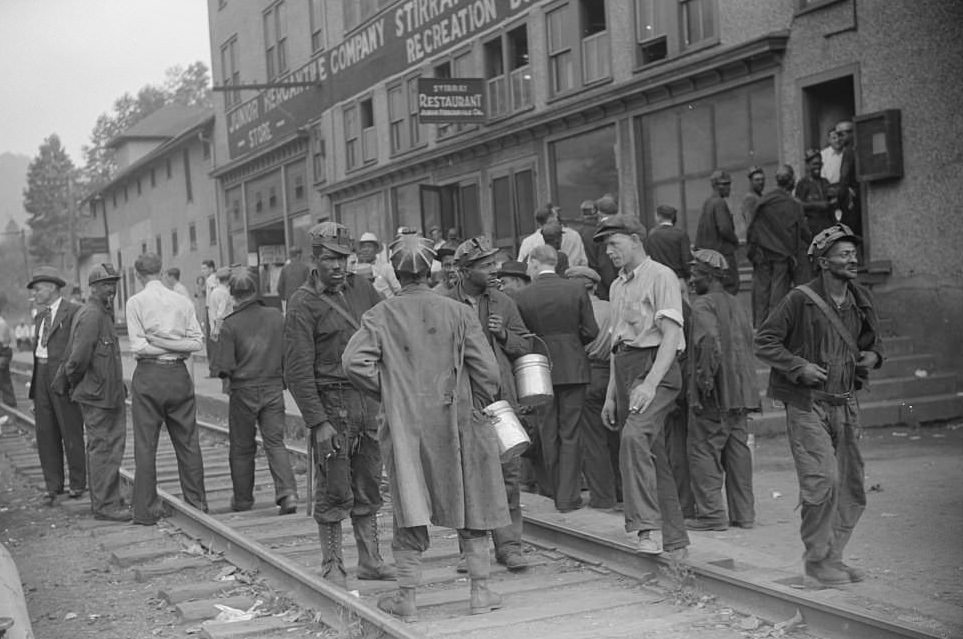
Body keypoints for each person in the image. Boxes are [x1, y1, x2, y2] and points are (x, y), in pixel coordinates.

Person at [343, 231, 508, 621]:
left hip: (406, 425)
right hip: (458, 419)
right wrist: (477, 401)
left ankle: (409, 600)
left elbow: (353, 364)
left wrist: (390, 390)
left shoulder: (380, 315)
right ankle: (480, 592)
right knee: (472, 500)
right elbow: (487, 371)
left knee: (409, 505)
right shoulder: (458, 312)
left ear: (395, 273)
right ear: (433, 267)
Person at [755, 224, 883, 585]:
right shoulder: (799, 298)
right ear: (824, 262)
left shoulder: (860, 298)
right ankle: (815, 561)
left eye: (853, 253)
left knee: (851, 487)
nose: (852, 259)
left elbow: (874, 342)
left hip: (845, 404)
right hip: (807, 404)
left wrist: (872, 356)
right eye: (844, 254)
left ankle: (834, 557)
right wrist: (798, 367)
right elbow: (764, 341)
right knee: (823, 480)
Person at [283, 222, 394, 588]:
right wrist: (317, 422)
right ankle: (332, 563)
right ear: (315, 258)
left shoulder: (363, 288)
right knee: (334, 487)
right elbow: (297, 370)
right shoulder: (302, 302)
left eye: (343, 258)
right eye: (330, 258)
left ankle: (370, 560)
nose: (337, 265)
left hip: (368, 400)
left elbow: (387, 332)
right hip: (331, 404)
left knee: (369, 483)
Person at [595, 215, 689, 556]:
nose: (609, 252)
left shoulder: (662, 275)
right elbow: (616, 342)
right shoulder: (617, 285)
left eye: (614, 244)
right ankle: (677, 541)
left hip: (656, 367)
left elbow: (671, 337)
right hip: (625, 367)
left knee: (634, 439)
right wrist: (610, 395)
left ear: (636, 239)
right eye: (606, 246)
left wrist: (650, 384)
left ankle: (645, 529)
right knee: (652, 453)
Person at [445, 236, 532, 571]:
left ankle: (509, 546)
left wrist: (505, 336)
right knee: (466, 477)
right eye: (484, 266)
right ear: (464, 271)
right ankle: (471, 551)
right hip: (460, 400)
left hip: (499, 401)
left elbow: (525, 345)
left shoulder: (504, 303)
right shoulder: (443, 303)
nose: (493, 270)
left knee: (508, 474)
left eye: (492, 263)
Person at [514, 245, 598, 512]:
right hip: (574, 367)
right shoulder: (575, 289)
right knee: (571, 432)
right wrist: (573, 343)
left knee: (548, 430)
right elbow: (591, 330)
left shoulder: (523, 295)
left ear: (535, 263)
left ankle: (553, 490)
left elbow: (522, 335)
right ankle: (569, 496)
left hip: (539, 369)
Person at [126, 252, 207, 525]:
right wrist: (175, 344)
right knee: (188, 442)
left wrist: (157, 339)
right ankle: (197, 504)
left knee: (145, 445)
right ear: (161, 272)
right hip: (178, 375)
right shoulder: (182, 301)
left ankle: (145, 511)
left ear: (138, 275)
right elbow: (196, 343)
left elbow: (138, 347)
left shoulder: (135, 302)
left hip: (149, 375)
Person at [213, 268, 298, 516]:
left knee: (241, 446)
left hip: (243, 391)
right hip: (273, 388)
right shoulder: (275, 317)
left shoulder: (229, 325)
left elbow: (224, 366)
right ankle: (288, 493)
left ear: (232, 294)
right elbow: (288, 352)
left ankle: (242, 499)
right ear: (255, 290)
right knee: (275, 442)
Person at [685, 250, 759, 531]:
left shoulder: (703, 304)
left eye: (695, 275)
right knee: (737, 452)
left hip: (716, 392)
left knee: (703, 451)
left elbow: (708, 343)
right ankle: (744, 515)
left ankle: (712, 515)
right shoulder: (737, 303)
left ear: (709, 276)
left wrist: (704, 382)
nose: (692, 280)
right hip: (742, 392)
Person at [55, 264, 130, 522]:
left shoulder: (102, 313)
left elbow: (103, 358)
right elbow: (77, 359)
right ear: (94, 288)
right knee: (104, 448)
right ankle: (105, 506)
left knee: (108, 447)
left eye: (114, 283)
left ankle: (107, 499)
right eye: (105, 284)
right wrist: (79, 385)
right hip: (98, 397)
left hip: (107, 393)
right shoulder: (92, 315)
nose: (111, 288)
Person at [27, 266, 86, 506]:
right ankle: (53, 485)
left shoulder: (73, 312)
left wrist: (70, 378)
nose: (35, 294)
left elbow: (77, 348)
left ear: (51, 288)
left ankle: (77, 483)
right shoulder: (39, 316)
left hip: (62, 377)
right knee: (45, 432)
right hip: (41, 374)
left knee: (70, 429)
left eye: (38, 289)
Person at [565, 266, 618, 509]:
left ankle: (602, 496)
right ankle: (622, 491)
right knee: (616, 436)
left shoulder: (574, 311)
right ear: (594, 286)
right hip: (613, 373)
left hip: (587, 373)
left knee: (593, 439)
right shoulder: (611, 307)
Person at [747, 164, 811, 327]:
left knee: (762, 295)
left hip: (762, 255)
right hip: (782, 256)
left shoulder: (764, 201)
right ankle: (775, 332)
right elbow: (803, 232)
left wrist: (752, 253)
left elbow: (752, 228)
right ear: (792, 182)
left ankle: (760, 330)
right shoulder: (794, 204)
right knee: (778, 296)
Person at [694, 170, 740, 295]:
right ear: (716, 186)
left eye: (728, 184)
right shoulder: (719, 202)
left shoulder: (708, 202)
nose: (728, 188)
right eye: (725, 184)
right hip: (722, 257)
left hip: (711, 260)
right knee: (729, 290)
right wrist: (735, 241)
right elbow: (724, 229)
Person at [644, 204, 694, 300]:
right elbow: (686, 259)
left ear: (658, 217)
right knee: (684, 312)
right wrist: (688, 277)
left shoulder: (652, 235)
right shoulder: (680, 234)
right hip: (678, 279)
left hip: (659, 281)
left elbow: (648, 258)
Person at [517, 204, 588, 268]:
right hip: (571, 278)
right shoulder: (574, 235)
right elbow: (583, 262)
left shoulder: (528, 242)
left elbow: (521, 266)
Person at [795, 149, 835, 237]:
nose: (818, 167)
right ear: (808, 165)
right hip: (811, 229)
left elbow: (832, 204)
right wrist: (818, 205)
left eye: (820, 164)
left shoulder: (825, 182)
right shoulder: (803, 184)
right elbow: (798, 205)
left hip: (827, 227)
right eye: (814, 164)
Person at [355, 232, 401, 299]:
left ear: (376, 249)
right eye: (363, 247)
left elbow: (398, 290)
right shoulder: (357, 270)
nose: (366, 250)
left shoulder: (386, 267)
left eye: (369, 246)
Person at [835, 120, 860, 234]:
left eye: (841, 134)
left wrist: (839, 198)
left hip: (851, 198)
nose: (839, 138)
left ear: (851, 133)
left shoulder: (849, 151)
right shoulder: (852, 149)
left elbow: (844, 177)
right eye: (837, 135)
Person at [277, 247, 311, 313]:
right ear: (298, 255)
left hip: (290, 301)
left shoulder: (285, 269)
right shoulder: (305, 268)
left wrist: (284, 297)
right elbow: (310, 285)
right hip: (302, 301)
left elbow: (279, 287)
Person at [739, 167, 766, 241]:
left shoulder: (761, 197)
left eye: (762, 179)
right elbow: (750, 223)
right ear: (751, 181)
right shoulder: (750, 199)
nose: (761, 182)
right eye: (757, 180)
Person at [0, 297, 15, 407]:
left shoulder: (1, 323)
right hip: (4, 352)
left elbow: (2, 342)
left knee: (4, 381)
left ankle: (10, 405)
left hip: (3, 353)